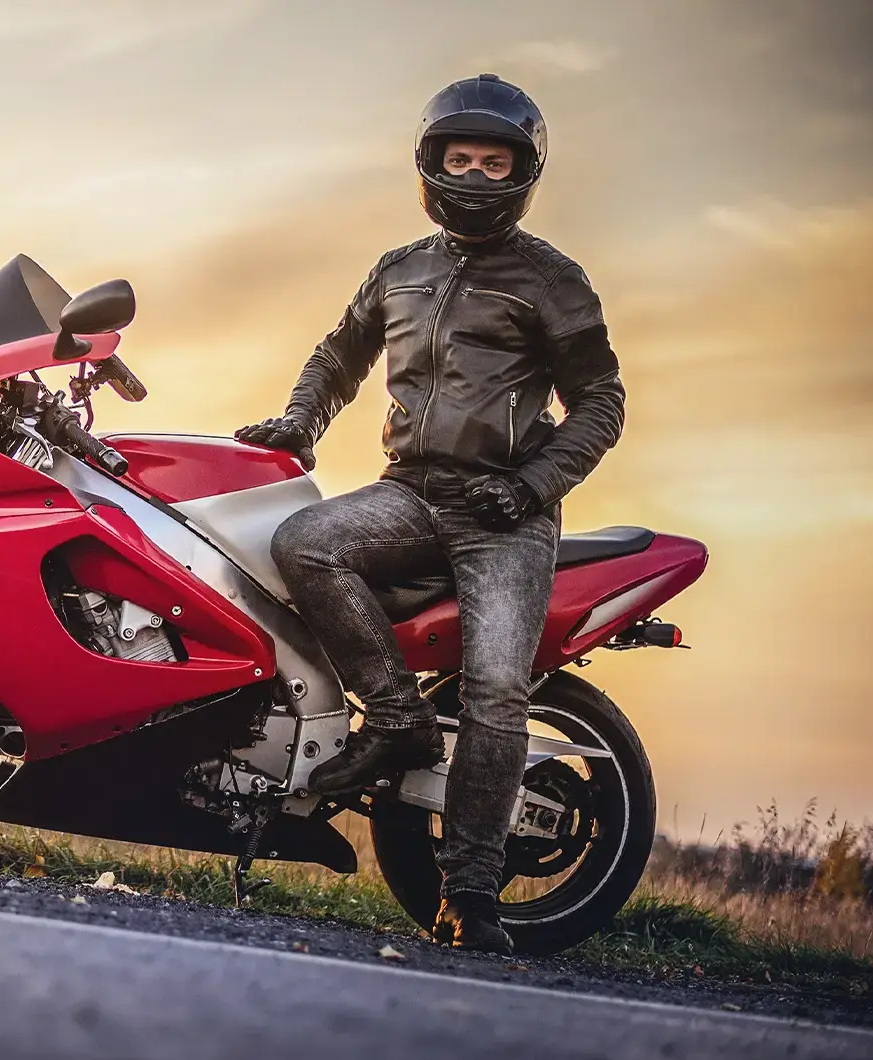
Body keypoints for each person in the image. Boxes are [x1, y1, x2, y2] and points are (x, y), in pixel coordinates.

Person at [236, 74, 625, 952]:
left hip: (509, 518)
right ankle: (398, 716)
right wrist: (299, 420)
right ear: (432, 164)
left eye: (497, 162)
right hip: (410, 493)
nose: (479, 176)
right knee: (304, 543)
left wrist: (529, 487)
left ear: (523, 172)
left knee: (495, 685)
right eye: (463, 159)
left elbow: (601, 403)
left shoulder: (552, 281)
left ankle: (473, 896)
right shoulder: (401, 269)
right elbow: (339, 355)